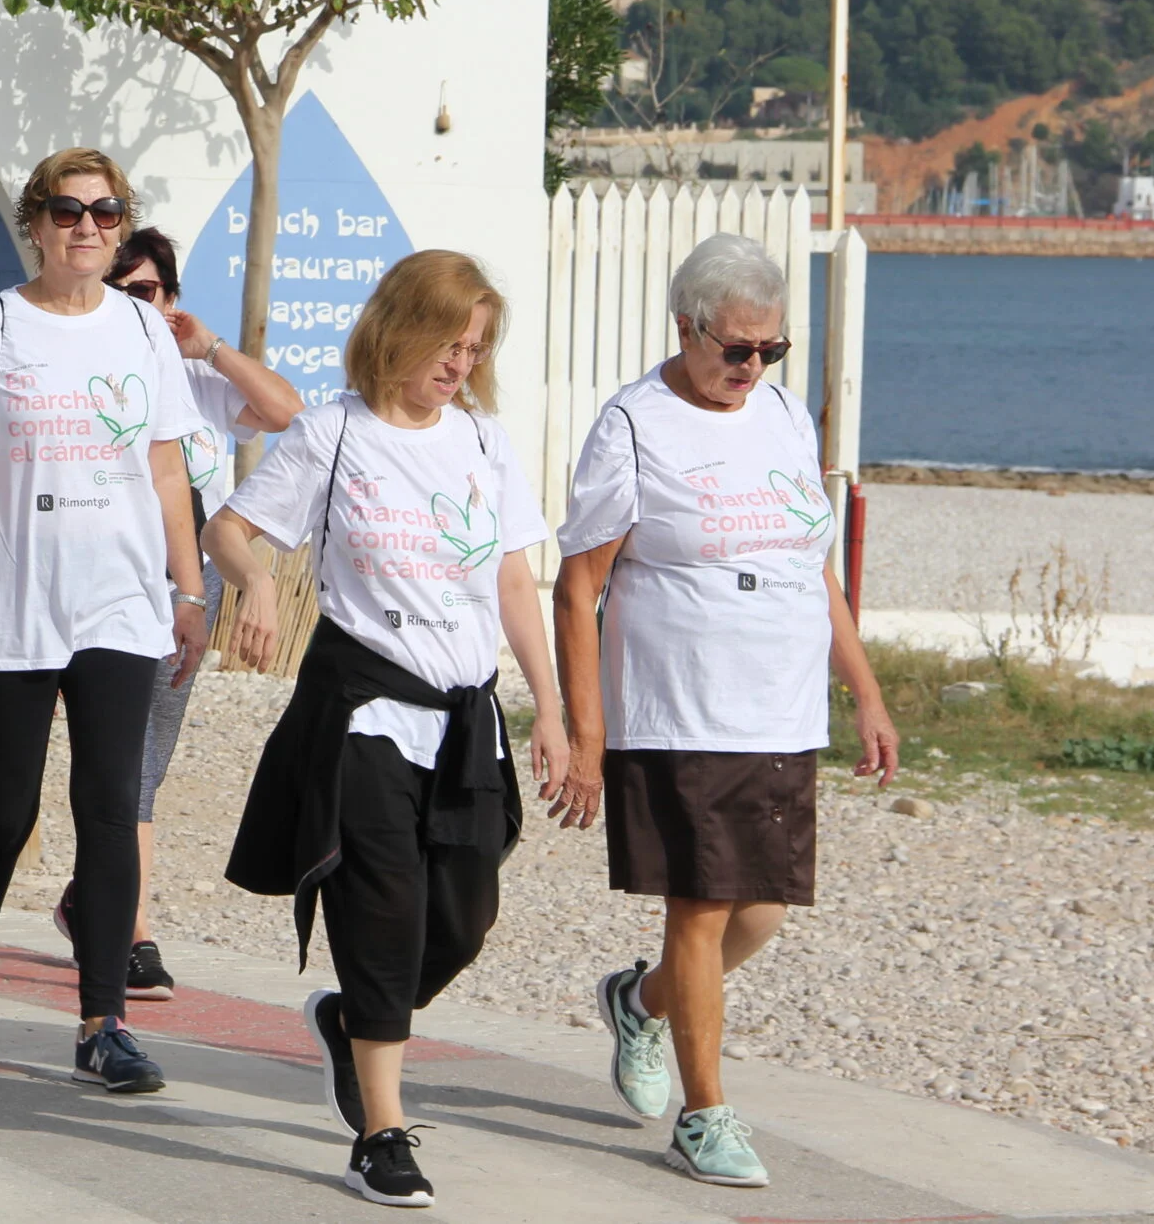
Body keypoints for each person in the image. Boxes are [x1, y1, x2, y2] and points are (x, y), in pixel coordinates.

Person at [213, 248, 567, 1208]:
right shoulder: (333, 434)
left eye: (475, 346)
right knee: (382, 912)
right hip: (364, 708)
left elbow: (513, 582)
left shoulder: (485, 445)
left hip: (464, 715)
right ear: (400, 328)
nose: (460, 362)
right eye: (448, 341)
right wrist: (251, 583)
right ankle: (381, 1131)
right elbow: (231, 528)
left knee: (462, 919)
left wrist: (553, 709)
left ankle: (350, 1018)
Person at [548, 232, 900, 1190]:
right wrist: (588, 732)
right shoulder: (633, 423)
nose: (751, 366)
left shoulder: (785, 418)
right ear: (687, 327)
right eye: (734, 348)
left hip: (781, 708)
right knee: (700, 908)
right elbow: (578, 586)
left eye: (769, 349)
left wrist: (864, 690)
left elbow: (809, 564)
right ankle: (706, 1114)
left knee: (766, 912)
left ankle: (639, 1000)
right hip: (680, 704)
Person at [0, 147, 209, 1095]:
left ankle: (101, 1022)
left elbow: (167, 467)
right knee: (8, 805)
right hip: (10, 594)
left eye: (106, 212)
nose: (88, 227)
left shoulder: (143, 331)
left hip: (120, 598)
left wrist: (189, 588)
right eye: (69, 211)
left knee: (111, 802)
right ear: (36, 223)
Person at [64, 226, 300, 1000]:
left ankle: (117, 920)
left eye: (149, 294)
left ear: (171, 299)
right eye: (121, 292)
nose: (135, 308)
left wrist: (210, 346)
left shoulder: (196, 382)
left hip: (183, 590)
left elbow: (285, 410)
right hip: (96, 577)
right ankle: (114, 915)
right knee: (98, 767)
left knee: (141, 767)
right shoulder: (87, 366)